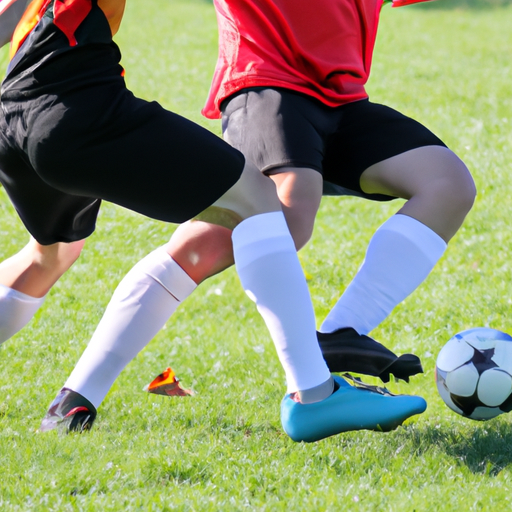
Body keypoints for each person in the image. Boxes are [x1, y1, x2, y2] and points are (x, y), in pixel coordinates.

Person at [38, 0, 476, 435]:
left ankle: (340, 334)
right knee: (271, 223)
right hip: (266, 87)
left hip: (343, 102)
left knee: (447, 184)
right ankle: (78, 396)